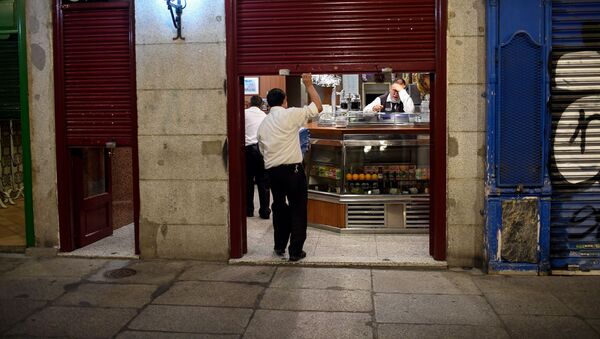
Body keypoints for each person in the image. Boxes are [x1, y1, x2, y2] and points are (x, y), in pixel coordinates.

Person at [257, 73, 323, 262]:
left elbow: (262, 150)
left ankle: (279, 246)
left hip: (273, 172)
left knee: (278, 207)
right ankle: (295, 251)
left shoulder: (263, 124)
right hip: (293, 171)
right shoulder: (291, 114)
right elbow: (317, 107)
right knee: (298, 209)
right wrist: (308, 84)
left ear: (268, 104)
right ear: (285, 101)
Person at [245, 95, 271, 219]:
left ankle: (248, 210)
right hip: (261, 149)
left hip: (248, 149)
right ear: (261, 105)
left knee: (248, 181)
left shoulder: (244, 113)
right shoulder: (264, 116)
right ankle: (265, 211)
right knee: (263, 181)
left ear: (250, 103)